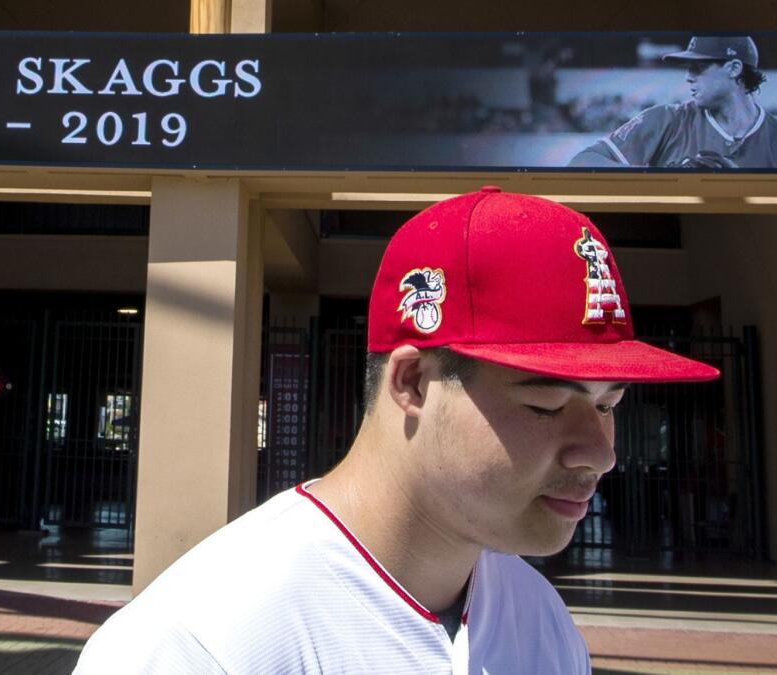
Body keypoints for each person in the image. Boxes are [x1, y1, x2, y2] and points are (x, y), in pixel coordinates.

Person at [73, 187, 719, 673]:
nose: (599, 453)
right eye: (547, 403)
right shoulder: (204, 641)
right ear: (411, 383)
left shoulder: (535, 611)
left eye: (608, 404)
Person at [569, 35, 777, 168]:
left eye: (699, 67)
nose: (688, 76)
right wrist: (661, 181)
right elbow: (581, 162)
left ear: (733, 68)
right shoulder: (665, 119)